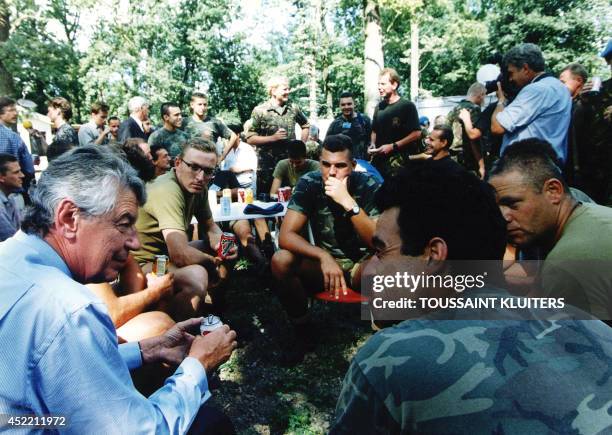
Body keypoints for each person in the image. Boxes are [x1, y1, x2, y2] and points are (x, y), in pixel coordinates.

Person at [331, 164, 612, 434]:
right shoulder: (587, 322)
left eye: (381, 252)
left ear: (433, 255)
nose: (373, 271)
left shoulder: (386, 362)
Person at [0, 146, 237, 433]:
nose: (135, 242)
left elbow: (47, 373)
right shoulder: (68, 309)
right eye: (124, 224)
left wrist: (148, 349)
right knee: (212, 424)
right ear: (68, 218)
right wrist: (198, 365)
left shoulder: (10, 258)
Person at [271, 134, 380, 361]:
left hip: (363, 266)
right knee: (281, 260)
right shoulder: (310, 182)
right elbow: (286, 235)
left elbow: (379, 242)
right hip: (325, 268)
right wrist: (322, 255)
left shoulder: (368, 184)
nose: (331, 172)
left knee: (385, 266)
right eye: (326, 164)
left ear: (353, 165)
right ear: (319, 162)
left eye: (340, 166)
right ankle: (303, 331)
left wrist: (348, 202)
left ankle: (385, 335)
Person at [488, 138, 612, 321]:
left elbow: (576, 346)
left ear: (553, 191)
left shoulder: (569, 260)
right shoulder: (591, 214)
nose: (503, 217)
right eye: (497, 207)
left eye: (512, 204)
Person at [133, 137, 238, 318]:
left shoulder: (199, 186)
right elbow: (180, 255)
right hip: (144, 264)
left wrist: (223, 245)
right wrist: (211, 265)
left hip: (165, 256)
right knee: (195, 276)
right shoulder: (168, 190)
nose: (200, 177)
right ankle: (179, 335)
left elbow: (211, 227)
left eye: (208, 171)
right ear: (178, 163)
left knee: (226, 244)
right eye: (194, 167)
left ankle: (213, 312)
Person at [491, 43, 572, 164]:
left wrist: (501, 101)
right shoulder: (560, 87)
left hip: (527, 167)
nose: (510, 79)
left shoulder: (536, 90)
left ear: (525, 69)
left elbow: (497, 127)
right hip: (546, 164)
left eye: (511, 73)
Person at [245, 76, 310, 194]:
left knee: (292, 199)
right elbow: (250, 138)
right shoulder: (260, 110)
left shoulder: (293, 108)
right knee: (267, 202)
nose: (288, 92)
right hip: (267, 167)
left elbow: (305, 126)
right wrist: (273, 138)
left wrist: (301, 145)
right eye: (284, 89)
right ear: (273, 91)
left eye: (288, 89)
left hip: (291, 165)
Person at [572, 39, 612, 205]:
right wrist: (583, 102)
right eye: (610, 61)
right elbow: (580, 128)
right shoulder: (604, 88)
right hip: (601, 169)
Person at [368, 68, 422, 179]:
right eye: (378, 84)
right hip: (380, 162)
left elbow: (417, 133)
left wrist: (393, 146)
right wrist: (372, 144)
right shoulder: (379, 107)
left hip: (401, 162)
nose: (379, 87)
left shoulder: (407, 106)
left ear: (394, 85)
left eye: (383, 84)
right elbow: (374, 130)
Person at [446, 82, 487, 177]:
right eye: (484, 96)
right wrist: (481, 165)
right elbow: (474, 139)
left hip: (453, 157)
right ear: (481, 95)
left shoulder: (454, 109)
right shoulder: (474, 109)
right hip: (468, 158)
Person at [184, 92, 238, 161]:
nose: (203, 107)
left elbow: (233, 136)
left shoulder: (215, 122)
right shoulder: (184, 122)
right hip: (190, 162)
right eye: (199, 104)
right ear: (192, 105)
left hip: (209, 163)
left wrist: (223, 156)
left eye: (205, 105)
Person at [558, 63, 589, 185]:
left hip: (587, 172)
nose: (559, 87)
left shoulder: (590, 104)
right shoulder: (564, 105)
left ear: (579, 81)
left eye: (563, 82)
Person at [0, 97, 35, 188]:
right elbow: (29, 169)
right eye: (11, 110)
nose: (15, 113)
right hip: (11, 191)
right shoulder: (12, 136)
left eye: (15, 110)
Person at [326, 92, 372, 160]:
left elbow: (372, 139)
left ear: (354, 104)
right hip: (341, 162)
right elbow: (327, 144)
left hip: (362, 162)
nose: (346, 107)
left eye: (349, 104)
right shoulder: (335, 124)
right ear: (339, 106)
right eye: (343, 105)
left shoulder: (364, 120)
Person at [0, 153, 24, 241]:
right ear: (1, 177)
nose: (22, 175)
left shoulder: (12, 198)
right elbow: (11, 238)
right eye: (16, 172)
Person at [46, 97, 78, 161]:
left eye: (49, 111)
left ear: (58, 111)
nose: (47, 114)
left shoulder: (64, 132)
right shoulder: (65, 130)